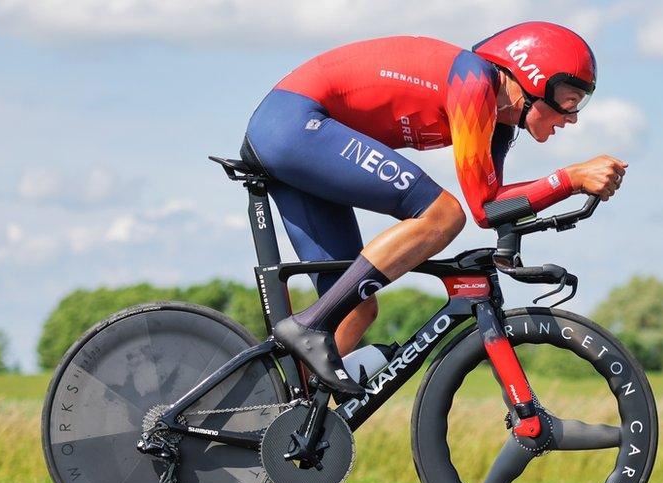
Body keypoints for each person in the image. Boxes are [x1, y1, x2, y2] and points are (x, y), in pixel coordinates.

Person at [241, 21, 628, 396]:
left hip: (297, 135)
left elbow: (492, 206)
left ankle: (283, 415)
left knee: (357, 310)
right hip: (294, 124)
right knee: (444, 214)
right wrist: (571, 178)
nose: (573, 117)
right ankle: (310, 325)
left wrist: (527, 232)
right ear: (531, 77)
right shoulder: (474, 80)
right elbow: (478, 207)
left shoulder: (498, 124)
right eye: (568, 100)